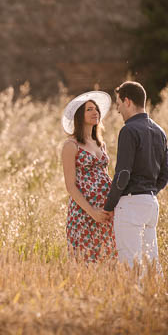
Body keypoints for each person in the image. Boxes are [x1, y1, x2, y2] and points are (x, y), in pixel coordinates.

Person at [103, 81, 168, 269]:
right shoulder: (159, 131)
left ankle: (135, 298)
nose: (118, 111)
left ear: (128, 102)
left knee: (129, 264)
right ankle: (155, 297)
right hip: (151, 204)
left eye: (119, 105)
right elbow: (164, 177)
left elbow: (123, 174)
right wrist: (147, 192)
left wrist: (109, 205)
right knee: (151, 264)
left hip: (130, 205)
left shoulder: (128, 130)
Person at [61, 91, 117, 263]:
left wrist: (111, 206)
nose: (95, 113)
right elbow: (70, 187)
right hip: (84, 212)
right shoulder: (71, 146)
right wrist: (92, 212)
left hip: (106, 211)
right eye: (89, 109)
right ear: (79, 116)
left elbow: (105, 176)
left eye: (96, 109)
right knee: (85, 262)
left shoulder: (101, 144)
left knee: (108, 259)